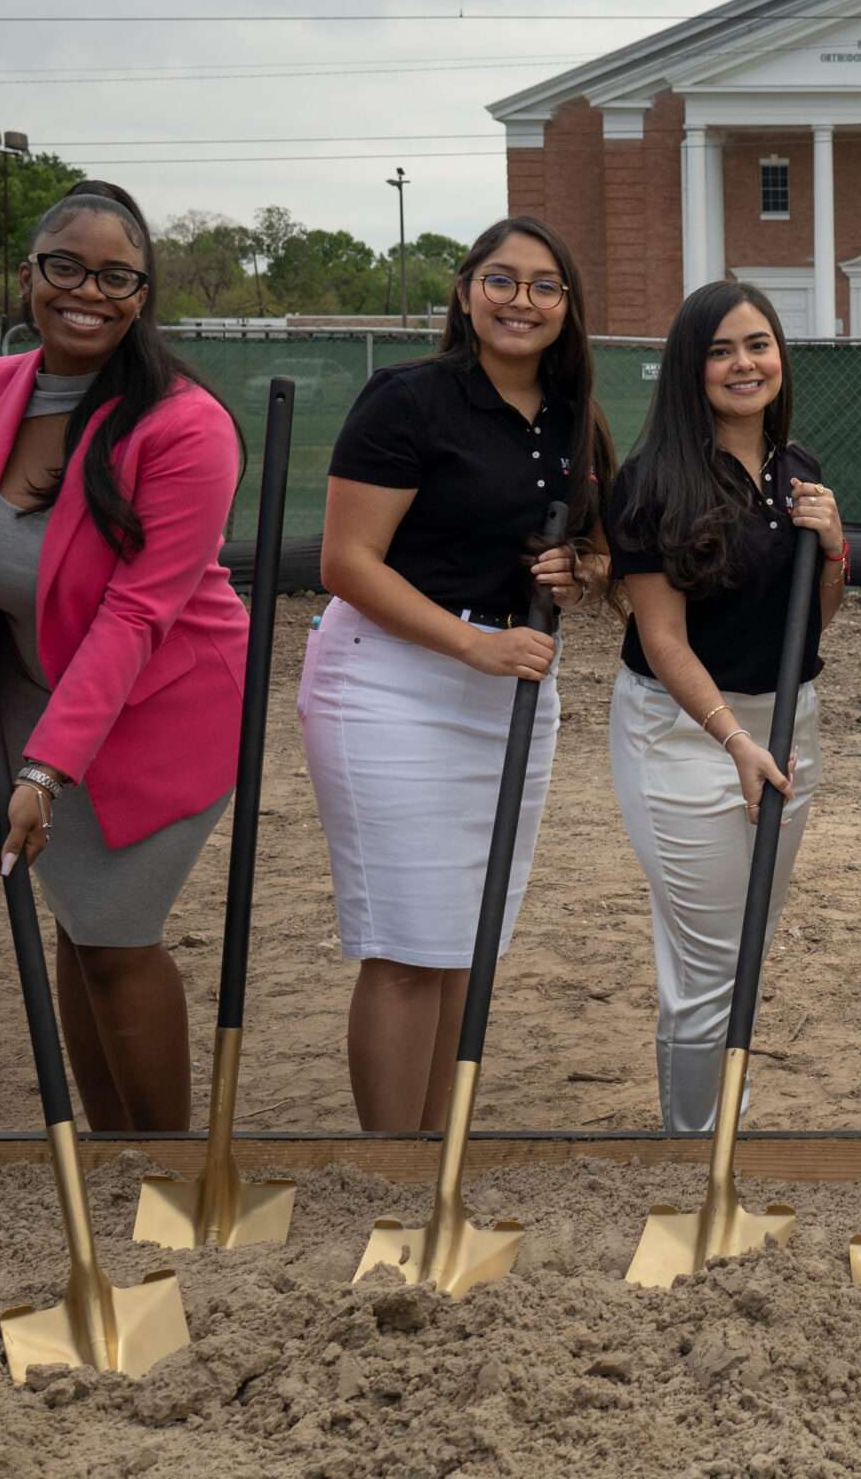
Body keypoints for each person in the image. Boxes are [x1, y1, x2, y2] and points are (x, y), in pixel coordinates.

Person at [0, 179, 246, 1134]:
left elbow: (136, 613)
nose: (87, 291)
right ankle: (111, 1156)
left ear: (143, 294)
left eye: (115, 276)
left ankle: (168, 1174)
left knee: (117, 939)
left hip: (159, 710)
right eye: (66, 266)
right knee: (77, 925)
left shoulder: (185, 426)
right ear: (28, 275)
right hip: (32, 692)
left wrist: (45, 772)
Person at [301, 216, 614, 1133]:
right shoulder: (407, 399)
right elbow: (346, 562)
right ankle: (389, 1171)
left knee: (462, 943)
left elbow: (599, 550)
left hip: (512, 690)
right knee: (406, 945)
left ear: (567, 305)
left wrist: (581, 571)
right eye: (502, 280)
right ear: (467, 290)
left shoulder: (573, 414)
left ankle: (431, 1151)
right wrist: (474, 645)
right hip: (392, 685)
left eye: (545, 285)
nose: (522, 301)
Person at [606, 281, 846, 1133]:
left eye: (758, 344)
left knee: (748, 947)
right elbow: (664, 640)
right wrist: (735, 738)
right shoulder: (650, 482)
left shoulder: (799, 469)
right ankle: (699, 1147)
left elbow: (811, 623)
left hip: (787, 723)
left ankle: (722, 1135)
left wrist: (833, 551)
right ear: (689, 367)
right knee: (709, 964)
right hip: (685, 732)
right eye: (720, 351)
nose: (744, 364)